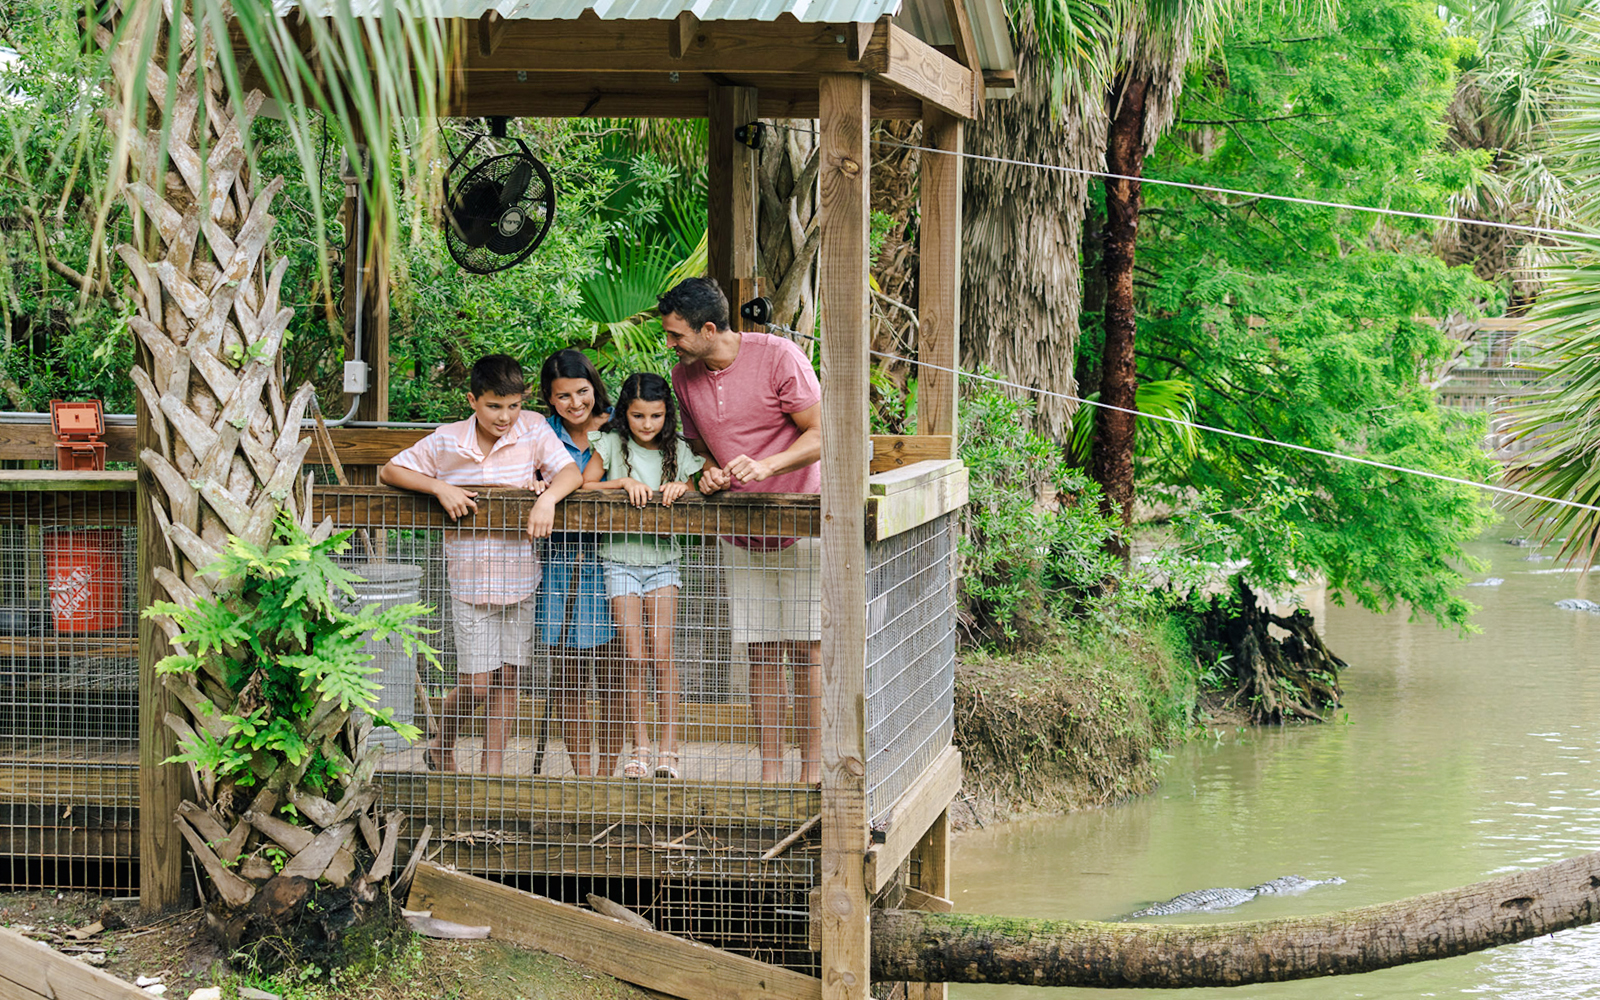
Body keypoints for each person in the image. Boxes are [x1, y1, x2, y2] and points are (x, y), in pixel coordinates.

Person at [379, 354, 581, 774]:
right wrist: (438, 487)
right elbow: (390, 470)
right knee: (476, 683)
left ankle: (493, 771)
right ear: (473, 400)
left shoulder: (533, 430)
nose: (504, 416)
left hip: (520, 578)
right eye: (493, 406)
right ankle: (442, 743)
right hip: (470, 581)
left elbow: (569, 473)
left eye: (512, 405)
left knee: (509, 678)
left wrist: (546, 498)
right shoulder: (447, 439)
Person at [660, 278, 822, 784]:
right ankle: (770, 774)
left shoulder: (780, 356)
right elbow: (701, 446)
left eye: (677, 335)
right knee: (761, 650)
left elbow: (822, 431)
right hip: (740, 531)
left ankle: (811, 773)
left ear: (709, 329)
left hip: (803, 520)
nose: (671, 344)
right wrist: (706, 470)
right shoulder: (682, 377)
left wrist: (770, 465)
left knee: (807, 649)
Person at [584, 372, 715, 779]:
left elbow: (698, 489)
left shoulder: (677, 449)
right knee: (635, 656)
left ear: (666, 416)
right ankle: (638, 747)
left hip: (663, 564)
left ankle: (669, 750)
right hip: (619, 560)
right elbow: (585, 486)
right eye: (638, 416)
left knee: (661, 655)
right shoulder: (609, 444)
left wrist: (680, 488)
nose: (646, 425)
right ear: (625, 413)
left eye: (655, 416)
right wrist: (621, 482)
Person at [535, 349, 624, 777]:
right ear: (550, 399)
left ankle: (607, 773)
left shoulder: (619, 426)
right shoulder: (539, 433)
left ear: (594, 387)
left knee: (613, 676)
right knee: (568, 676)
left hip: (612, 560)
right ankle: (582, 776)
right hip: (559, 562)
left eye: (582, 392)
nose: (575, 403)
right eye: (563, 396)